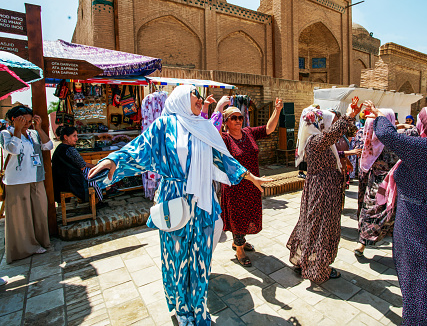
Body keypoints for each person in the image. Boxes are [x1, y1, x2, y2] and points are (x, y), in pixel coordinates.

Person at [88, 85, 272, 326]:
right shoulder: (164, 126)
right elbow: (139, 149)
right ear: (182, 99)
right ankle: (181, 309)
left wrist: (250, 177)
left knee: (201, 260)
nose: (200, 99)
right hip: (174, 200)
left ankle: (198, 307)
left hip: (204, 204)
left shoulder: (205, 127)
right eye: (195, 95)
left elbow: (223, 160)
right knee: (176, 259)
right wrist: (113, 160)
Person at [362, 99, 427, 325]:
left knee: (417, 277)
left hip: (419, 226)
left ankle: (417, 319)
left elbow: (388, 136)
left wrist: (380, 114)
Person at [287, 99, 361, 282]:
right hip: (323, 192)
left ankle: (306, 261)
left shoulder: (315, 141)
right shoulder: (315, 141)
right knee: (321, 227)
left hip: (322, 189)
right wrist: (349, 116)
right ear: (320, 124)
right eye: (329, 122)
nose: (331, 125)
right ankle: (317, 268)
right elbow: (332, 135)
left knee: (312, 225)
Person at [220, 98, 283, 267]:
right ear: (226, 122)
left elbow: (269, 129)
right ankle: (239, 250)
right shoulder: (224, 139)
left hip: (252, 183)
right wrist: (218, 108)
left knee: (247, 214)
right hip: (235, 186)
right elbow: (211, 131)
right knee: (237, 216)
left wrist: (277, 110)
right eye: (233, 118)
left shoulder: (248, 132)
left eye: (240, 117)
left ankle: (239, 241)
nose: (238, 120)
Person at [354, 109, 419, 257]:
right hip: (393, 184)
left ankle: (362, 243)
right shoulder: (395, 140)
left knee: (370, 211)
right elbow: (415, 131)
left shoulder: (366, 136)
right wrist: (401, 126)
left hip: (374, 182)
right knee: (390, 213)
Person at [0, 105, 53, 263]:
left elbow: (48, 146)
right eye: (23, 121)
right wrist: (16, 130)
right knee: (21, 217)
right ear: (14, 120)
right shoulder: (6, 133)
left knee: (39, 211)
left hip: (36, 178)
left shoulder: (33, 134)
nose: (26, 124)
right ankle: (22, 248)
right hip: (17, 180)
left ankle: (40, 241)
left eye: (29, 121)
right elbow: (13, 150)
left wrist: (39, 128)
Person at [51, 126, 108, 204]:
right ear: (65, 137)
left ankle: (101, 195)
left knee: (94, 173)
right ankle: (99, 200)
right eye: (74, 136)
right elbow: (83, 166)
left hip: (62, 180)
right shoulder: (69, 149)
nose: (76, 139)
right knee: (95, 177)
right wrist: (99, 167)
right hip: (69, 181)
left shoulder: (60, 148)